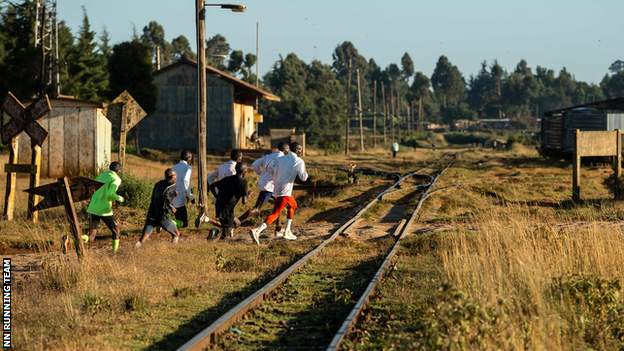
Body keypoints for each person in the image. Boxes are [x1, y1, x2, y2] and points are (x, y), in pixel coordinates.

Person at [250, 142, 308, 244]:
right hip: (285, 191)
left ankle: (287, 231)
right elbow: (303, 178)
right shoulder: (299, 161)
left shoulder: (280, 159)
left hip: (276, 189)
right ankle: (257, 231)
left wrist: (278, 177)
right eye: (300, 149)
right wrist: (304, 174)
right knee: (275, 214)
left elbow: (270, 169)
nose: (301, 151)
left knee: (293, 205)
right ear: (297, 150)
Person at [239, 142, 289, 234]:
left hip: (268, 184)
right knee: (257, 208)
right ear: (285, 150)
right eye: (288, 149)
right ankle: (237, 221)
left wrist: (261, 174)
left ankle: (278, 228)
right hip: (270, 187)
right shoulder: (284, 159)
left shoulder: (268, 156)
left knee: (278, 205)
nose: (289, 151)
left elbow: (254, 165)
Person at [80, 162, 125, 253]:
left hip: (93, 206)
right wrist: (120, 198)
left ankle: (75, 238)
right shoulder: (116, 179)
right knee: (116, 231)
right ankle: (114, 253)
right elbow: (110, 195)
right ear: (119, 170)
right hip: (104, 209)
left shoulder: (101, 175)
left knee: (91, 236)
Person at [197, 149, 243, 227]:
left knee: (227, 221)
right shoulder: (236, 170)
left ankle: (209, 221)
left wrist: (214, 192)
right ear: (239, 158)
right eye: (241, 157)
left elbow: (209, 178)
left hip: (219, 196)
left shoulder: (222, 166)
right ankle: (206, 219)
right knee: (231, 223)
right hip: (228, 199)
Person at [136, 168, 181, 247]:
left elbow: (154, 197)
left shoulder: (158, 183)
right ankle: (173, 250)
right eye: (175, 175)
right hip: (162, 216)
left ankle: (136, 248)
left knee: (143, 239)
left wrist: (173, 194)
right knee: (176, 234)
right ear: (172, 176)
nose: (176, 176)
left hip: (152, 212)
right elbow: (166, 199)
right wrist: (171, 207)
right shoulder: (171, 186)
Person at [209, 163, 249, 239]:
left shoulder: (227, 179)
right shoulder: (244, 182)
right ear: (244, 171)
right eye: (246, 169)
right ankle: (215, 232)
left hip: (220, 206)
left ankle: (215, 230)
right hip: (226, 209)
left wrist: (216, 196)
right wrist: (247, 195)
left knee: (237, 223)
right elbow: (244, 202)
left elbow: (212, 186)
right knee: (225, 236)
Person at [172, 150, 194, 228]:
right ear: (189, 158)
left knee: (180, 223)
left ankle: (168, 224)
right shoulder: (188, 167)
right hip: (180, 199)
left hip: (172, 198)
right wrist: (190, 196)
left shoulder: (173, 167)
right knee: (184, 224)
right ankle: (165, 224)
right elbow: (186, 180)